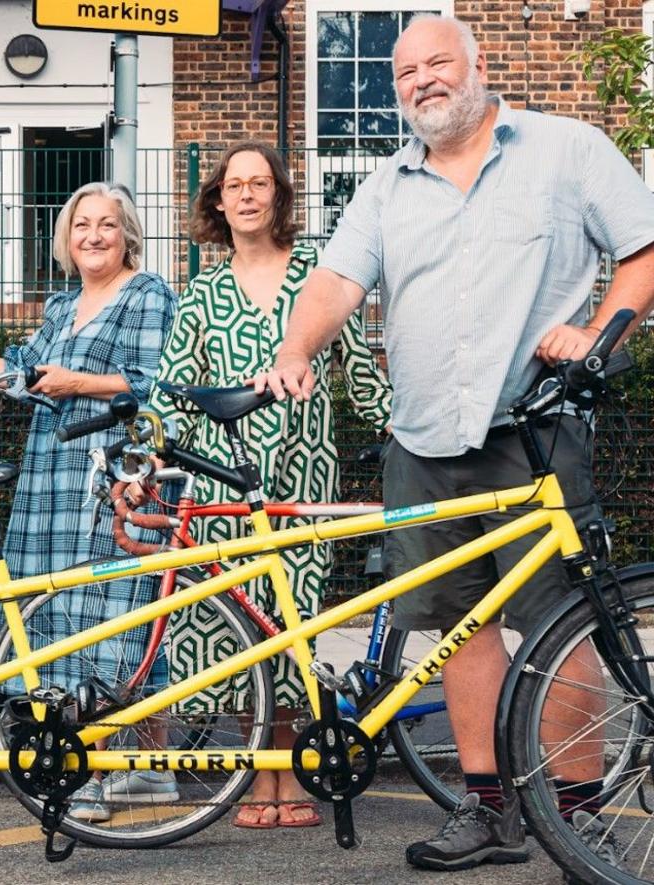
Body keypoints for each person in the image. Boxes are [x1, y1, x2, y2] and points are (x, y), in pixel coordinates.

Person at [254, 15, 654, 872]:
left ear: (480, 66)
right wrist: (295, 348)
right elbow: (335, 280)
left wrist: (599, 333)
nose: (422, 81)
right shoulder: (387, 184)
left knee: (559, 625)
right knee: (454, 627)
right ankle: (489, 809)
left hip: (536, 433)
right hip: (423, 435)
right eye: (405, 73)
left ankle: (575, 813)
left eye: (437, 62)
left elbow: (643, 252)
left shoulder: (566, 150)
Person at [0, 181, 176, 823]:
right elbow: (19, 368)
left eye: (107, 224)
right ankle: (102, 766)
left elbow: (163, 380)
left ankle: (128, 771)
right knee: (58, 618)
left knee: (116, 611)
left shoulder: (148, 293)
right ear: (66, 239)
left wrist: (78, 383)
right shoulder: (63, 304)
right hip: (51, 472)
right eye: (82, 225)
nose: (94, 235)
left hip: (117, 467)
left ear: (126, 232)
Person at [150, 141, 392, 830]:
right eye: (236, 185)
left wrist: (408, 427)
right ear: (218, 202)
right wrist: (146, 454)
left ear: (281, 197)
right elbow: (173, 391)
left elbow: (362, 373)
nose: (249, 195)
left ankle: (290, 772)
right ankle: (258, 778)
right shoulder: (201, 293)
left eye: (261, 183)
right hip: (222, 477)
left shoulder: (319, 275)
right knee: (234, 633)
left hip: (301, 472)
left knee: (293, 624)